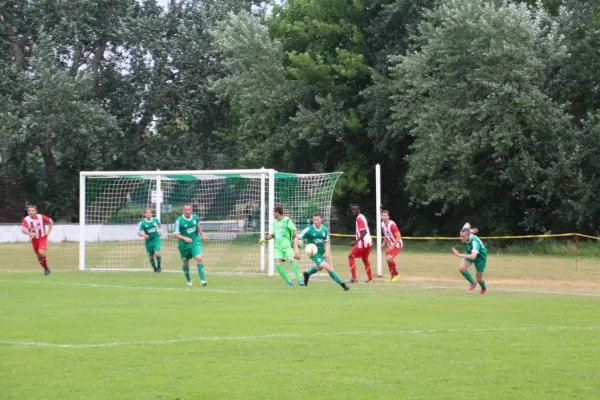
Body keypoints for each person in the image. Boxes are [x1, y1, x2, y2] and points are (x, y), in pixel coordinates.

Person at [297, 212, 349, 291]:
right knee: (328, 268)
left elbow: (326, 241)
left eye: (317, 220)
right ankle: (343, 285)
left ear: (321, 219)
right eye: (314, 220)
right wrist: (297, 247)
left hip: (322, 252)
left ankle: (307, 274)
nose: (315, 221)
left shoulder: (324, 229)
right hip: (313, 253)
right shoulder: (309, 229)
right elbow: (297, 237)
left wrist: (327, 252)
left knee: (319, 268)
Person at [259, 206, 304, 286]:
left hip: (287, 246)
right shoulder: (275, 222)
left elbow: (294, 230)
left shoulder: (287, 220)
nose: (272, 214)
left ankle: (300, 280)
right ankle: (289, 281)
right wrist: (265, 239)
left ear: (277, 212)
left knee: (291, 260)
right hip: (278, 248)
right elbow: (273, 234)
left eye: (273, 212)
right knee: (277, 264)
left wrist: (297, 238)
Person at [173, 204, 209, 286]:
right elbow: (175, 234)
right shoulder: (179, 220)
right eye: (185, 210)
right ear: (183, 211)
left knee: (199, 258)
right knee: (185, 262)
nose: (187, 211)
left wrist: (202, 235)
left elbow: (198, 225)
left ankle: (203, 280)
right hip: (184, 245)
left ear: (191, 210)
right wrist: (184, 238)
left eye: (189, 209)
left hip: (195, 242)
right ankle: (188, 280)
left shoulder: (195, 217)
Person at [451, 223, 488, 294]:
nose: (461, 238)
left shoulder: (474, 242)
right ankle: (473, 283)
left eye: (463, 236)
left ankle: (483, 288)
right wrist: (469, 230)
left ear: (468, 235)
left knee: (479, 279)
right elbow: (467, 224)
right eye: (460, 236)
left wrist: (459, 254)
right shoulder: (466, 232)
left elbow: (473, 256)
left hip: (480, 257)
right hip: (470, 251)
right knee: (462, 268)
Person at [21, 205, 53, 275]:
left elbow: (51, 221)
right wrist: (30, 233)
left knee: (41, 252)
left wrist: (48, 232)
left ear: (36, 211)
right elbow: (23, 230)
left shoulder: (40, 217)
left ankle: (46, 268)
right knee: (38, 255)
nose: (31, 212)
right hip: (34, 240)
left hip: (42, 237)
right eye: (30, 211)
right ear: (28, 212)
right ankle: (46, 268)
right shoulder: (26, 219)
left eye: (33, 210)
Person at [347, 204, 373, 283]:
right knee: (365, 259)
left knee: (351, 256)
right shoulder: (361, 217)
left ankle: (354, 278)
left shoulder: (359, 219)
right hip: (368, 243)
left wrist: (356, 241)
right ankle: (370, 279)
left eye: (355, 209)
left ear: (359, 210)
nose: (354, 211)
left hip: (363, 243)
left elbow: (364, 232)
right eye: (353, 210)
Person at [137, 208, 163, 273]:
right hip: (148, 242)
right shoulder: (142, 223)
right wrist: (144, 235)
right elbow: (138, 232)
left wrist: (160, 230)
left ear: (151, 213)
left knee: (157, 254)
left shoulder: (155, 219)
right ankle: (155, 268)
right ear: (144, 214)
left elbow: (159, 224)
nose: (148, 213)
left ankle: (159, 266)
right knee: (151, 257)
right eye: (147, 212)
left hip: (156, 240)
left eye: (150, 212)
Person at [381, 210, 402, 282]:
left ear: (388, 216)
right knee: (388, 260)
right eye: (382, 215)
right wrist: (383, 243)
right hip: (389, 245)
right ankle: (393, 276)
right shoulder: (382, 224)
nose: (383, 217)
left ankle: (396, 274)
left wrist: (393, 246)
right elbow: (386, 235)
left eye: (385, 215)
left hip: (396, 244)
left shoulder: (391, 225)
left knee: (388, 259)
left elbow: (399, 235)